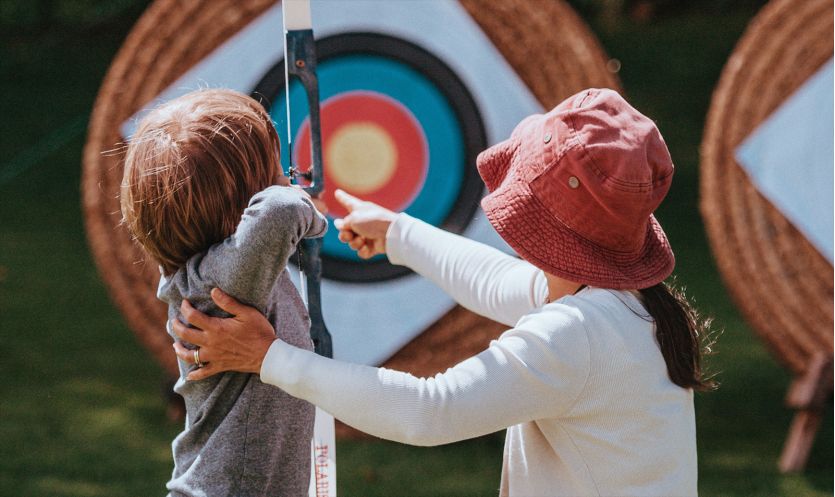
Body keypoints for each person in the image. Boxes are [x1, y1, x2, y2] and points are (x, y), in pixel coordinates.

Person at [173, 88, 715, 496]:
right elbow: (498, 282)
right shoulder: (620, 302)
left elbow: (430, 411)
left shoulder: (577, 334)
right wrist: (399, 234)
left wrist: (268, 358)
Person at [120, 88, 328, 497]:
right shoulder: (224, 284)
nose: (286, 179)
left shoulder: (214, 271)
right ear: (244, 202)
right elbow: (281, 211)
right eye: (275, 171)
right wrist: (309, 211)